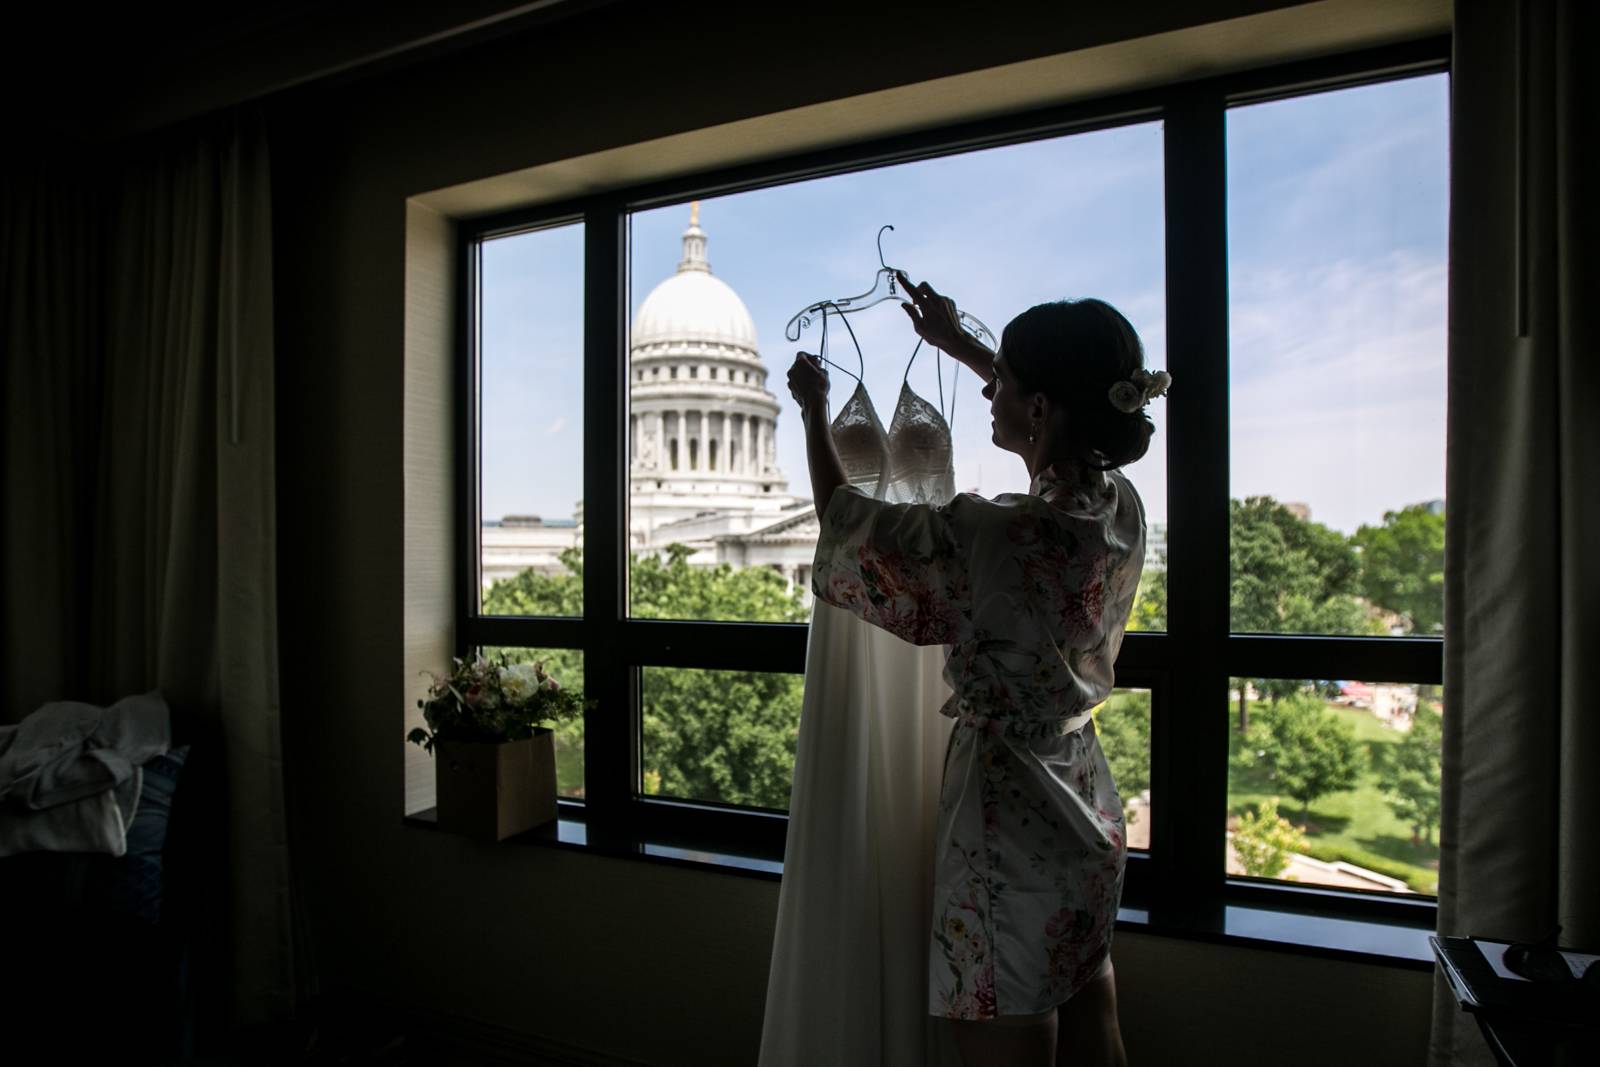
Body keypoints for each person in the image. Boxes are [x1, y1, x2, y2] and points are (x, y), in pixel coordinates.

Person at [785, 274, 1168, 1067]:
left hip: (1008, 821)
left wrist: (815, 411)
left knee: (1001, 1040)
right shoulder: (1119, 505)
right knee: (1094, 1013)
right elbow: (1058, 414)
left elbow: (847, 525)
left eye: (1009, 384)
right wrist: (963, 347)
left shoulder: (996, 537)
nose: (992, 394)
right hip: (1085, 802)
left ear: (1038, 407)